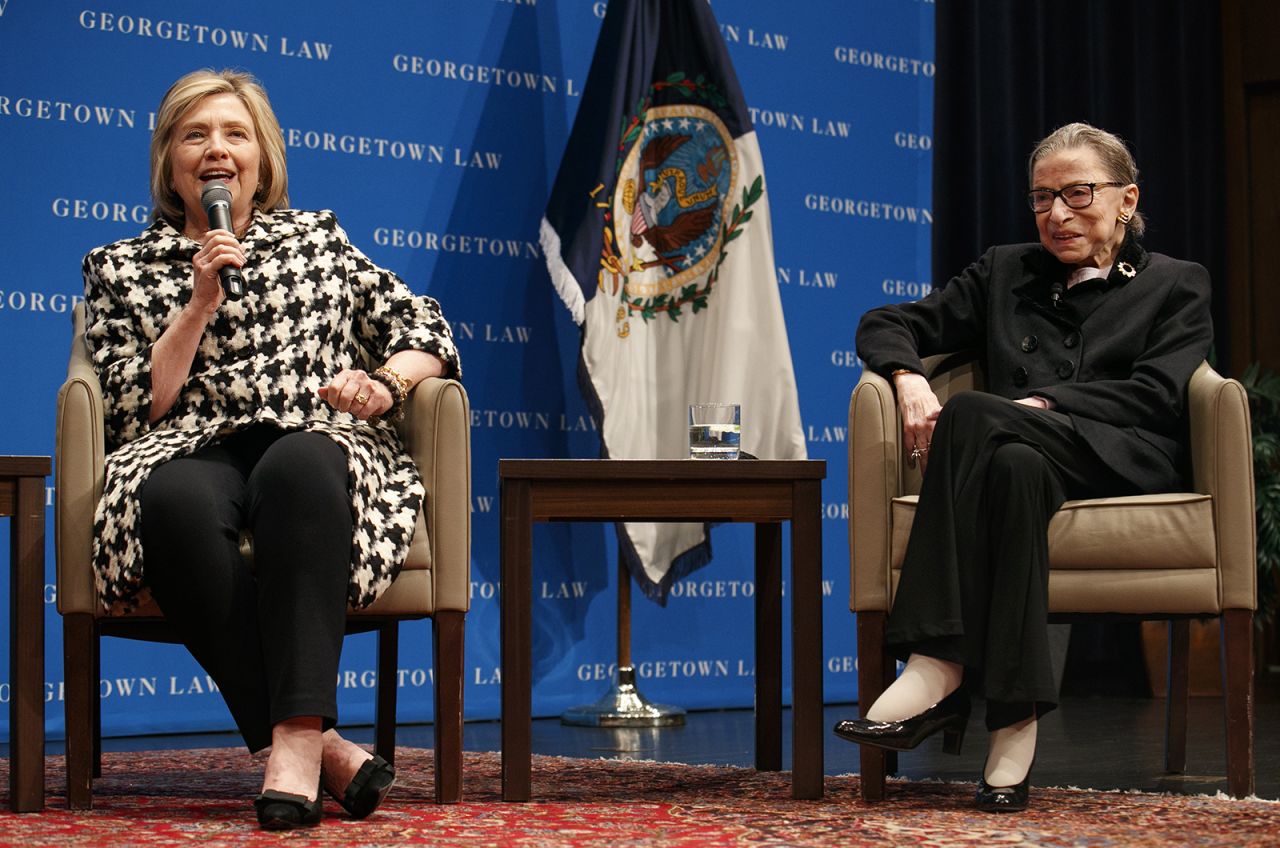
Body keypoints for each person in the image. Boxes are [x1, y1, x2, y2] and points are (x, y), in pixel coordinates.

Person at [81, 68, 461, 830]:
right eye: (195, 135)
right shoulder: (118, 267)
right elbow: (131, 407)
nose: (216, 150)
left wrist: (385, 384)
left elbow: (426, 330)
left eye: (234, 133)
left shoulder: (318, 241)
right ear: (168, 161)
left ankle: (290, 747)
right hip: (189, 441)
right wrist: (198, 303)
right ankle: (323, 747)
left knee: (298, 468)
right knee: (173, 501)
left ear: (263, 158)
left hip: (314, 432)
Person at [833, 122, 1212, 812]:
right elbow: (887, 321)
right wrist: (907, 376)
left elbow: (1158, 394)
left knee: (979, 414)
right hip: (1027, 455)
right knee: (1009, 465)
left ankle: (936, 664)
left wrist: (1044, 401)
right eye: (1042, 198)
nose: (1057, 215)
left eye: (1077, 194)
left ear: (1127, 199)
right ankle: (1013, 726)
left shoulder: (1177, 284)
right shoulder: (1005, 271)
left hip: (1120, 455)